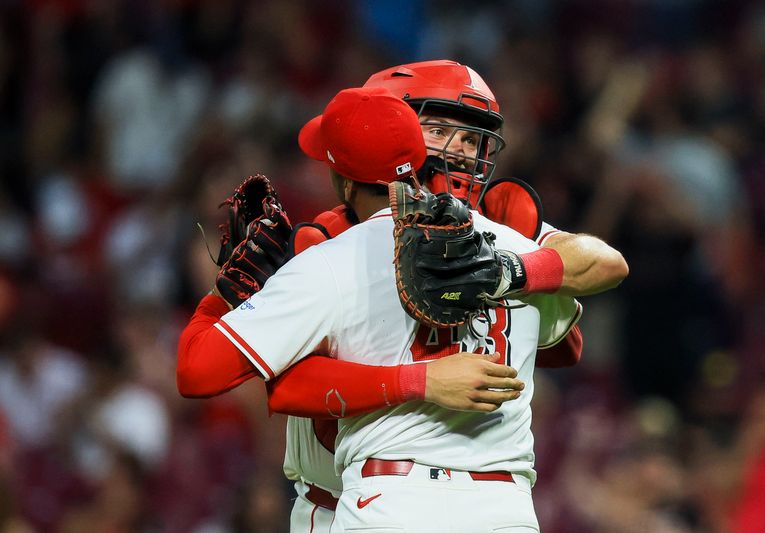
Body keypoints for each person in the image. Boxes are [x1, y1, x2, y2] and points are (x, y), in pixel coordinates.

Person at [179, 60, 628, 531]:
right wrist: (432, 367)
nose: (463, 151)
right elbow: (289, 387)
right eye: (443, 130)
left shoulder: (336, 256)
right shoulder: (504, 236)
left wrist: (502, 273)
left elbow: (203, 370)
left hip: (382, 496)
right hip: (436, 501)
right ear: (405, 133)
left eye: (474, 139)